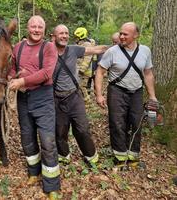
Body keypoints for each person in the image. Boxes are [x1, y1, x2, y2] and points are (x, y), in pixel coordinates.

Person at [8, 15, 60, 199]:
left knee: (47, 142)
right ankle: (33, 172)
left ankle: (52, 185)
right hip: (23, 99)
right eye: (33, 26)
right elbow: (13, 69)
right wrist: (12, 77)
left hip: (43, 97)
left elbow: (46, 73)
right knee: (27, 138)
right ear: (27, 28)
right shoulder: (18, 47)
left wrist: (22, 80)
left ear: (45, 30)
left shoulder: (49, 47)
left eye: (40, 27)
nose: (36, 30)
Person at [95, 22, 157, 167]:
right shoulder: (112, 52)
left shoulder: (145, 51)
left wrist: (152, 95)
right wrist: (99, 95)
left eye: (125, 34)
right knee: (117, 124)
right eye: (121, 33)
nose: (121, 37)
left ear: (136, 35)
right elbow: (100, 72)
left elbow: (148, 74)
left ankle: (133, 156)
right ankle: (120, 157)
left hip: (136, 92)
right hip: (117, 90)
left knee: (136, 123)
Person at [52, 24, 107, 166]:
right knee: (60, 131)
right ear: (53, 36)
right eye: (61, 33)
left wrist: (117, 46)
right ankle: (64, 156)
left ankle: (91, 157)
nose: (64, 36)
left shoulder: (73, 49)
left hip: (74, 96)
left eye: (66, 33)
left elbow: (95, 49)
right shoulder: (47, 52)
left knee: (82, 129)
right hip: (56, 98)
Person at [73, 27, 98, 109]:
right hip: (81, 70)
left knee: (81, 86)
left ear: (81, 36)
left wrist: (82, 69)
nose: (75, 39)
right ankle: (85, 100)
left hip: (85, 71)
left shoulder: (87, 45)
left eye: (76, 37)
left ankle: (87, 102)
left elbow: (87, 58)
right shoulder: (81, 44)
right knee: (81, 86)